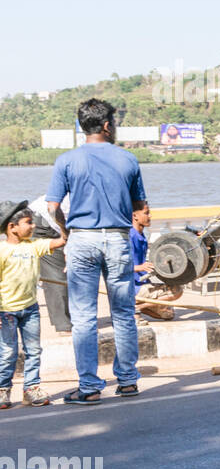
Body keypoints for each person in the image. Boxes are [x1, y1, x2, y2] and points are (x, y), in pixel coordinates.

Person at [47, 98, 148, 404]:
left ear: (82, 126)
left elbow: (52, 206)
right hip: (117, 240)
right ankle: (128, 380)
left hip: (82, 240)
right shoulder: (128, 159)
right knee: (123, 314)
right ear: (107, 125)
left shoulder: (67, 160)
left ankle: (89, 386)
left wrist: (66, 232)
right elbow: (139, 206)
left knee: (84, 318)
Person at [0, 202, 67, 410]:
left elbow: (61, 241)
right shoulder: (2, 250)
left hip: (30, 309)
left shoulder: (33, 246)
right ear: (12, 227)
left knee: (34, 350)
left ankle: (31, 388)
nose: (32, 227)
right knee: (8, 352)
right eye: (28, 223)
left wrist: (61, 223)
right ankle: (3, 389)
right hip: (7, 312)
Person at [28, 192, 71, 333]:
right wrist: (66, 237)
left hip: (41, 218)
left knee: (58, 273)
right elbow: (52, 209)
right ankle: (64, 325)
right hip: (43, 222)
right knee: (56, 274)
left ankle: (67, 321)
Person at [129, 203, 180, 320]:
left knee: (169, 314)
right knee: (177, 290)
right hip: (132, 288)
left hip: (143, 283)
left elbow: (145, 264)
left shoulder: (142, 236)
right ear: (135, 216)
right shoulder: (130, 235)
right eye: (146, 213)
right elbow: (117, 266)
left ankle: (140, 307)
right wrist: (139, 268)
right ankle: (133, 308)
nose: (150, 216)